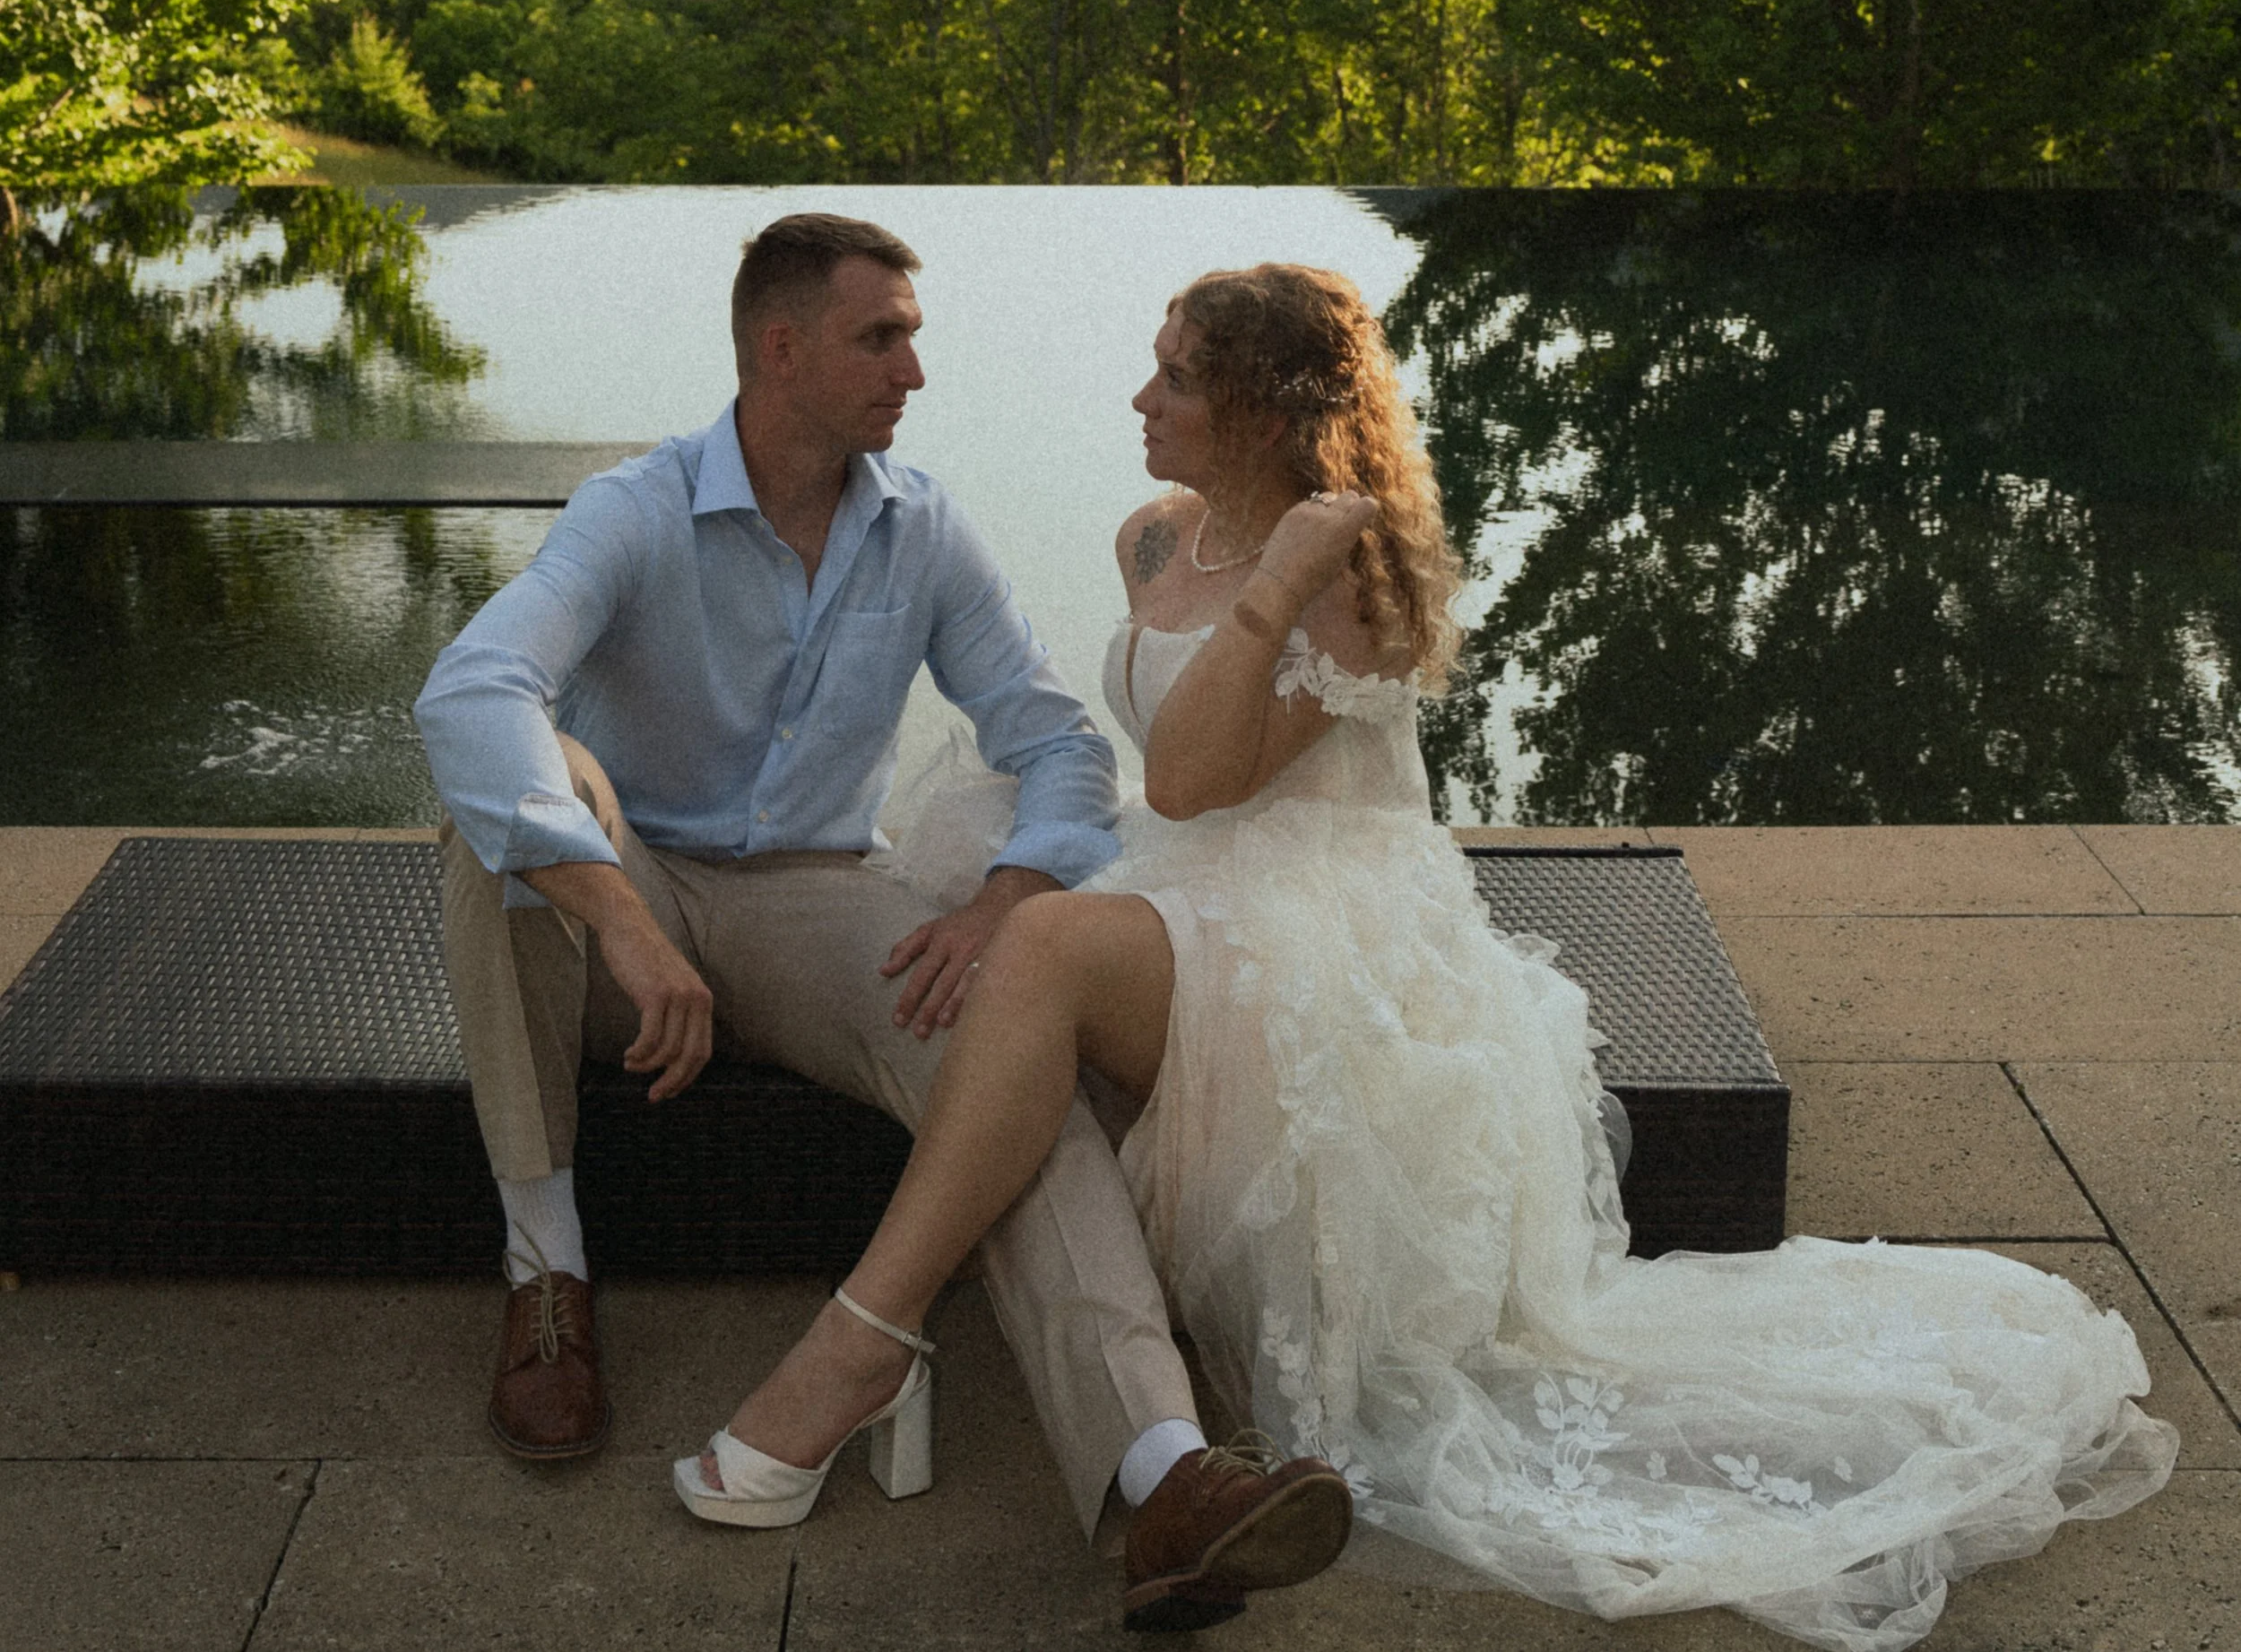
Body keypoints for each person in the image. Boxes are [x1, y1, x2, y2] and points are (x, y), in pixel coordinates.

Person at [698, 260, 2177, 1650]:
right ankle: (1064, 1421)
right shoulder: (1153, 533)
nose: (1140, 404)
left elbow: (1200, 778)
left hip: (1323, 936)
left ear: (1267, 414)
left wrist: (1277, 578)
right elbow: (1164, 796)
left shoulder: (1361, 573)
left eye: (1175, 383)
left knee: (1045, 951)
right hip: (1192, 901)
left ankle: (862, 1344)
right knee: (1019, 963)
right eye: (1150, 374)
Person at [414, 212, 1353, 1626]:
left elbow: (1057, 746)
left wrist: (1008, 897)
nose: (914, 368)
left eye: (911, 335)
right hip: (637, 885)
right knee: (509, 812)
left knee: (1004, 1043)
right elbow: (469, 694)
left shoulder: (922, 528)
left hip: (815, 901)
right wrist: (620, 918)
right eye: (882, 337)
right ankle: (546, 1269)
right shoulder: (637, 508)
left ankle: (1164, 1473)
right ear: (779, 351)